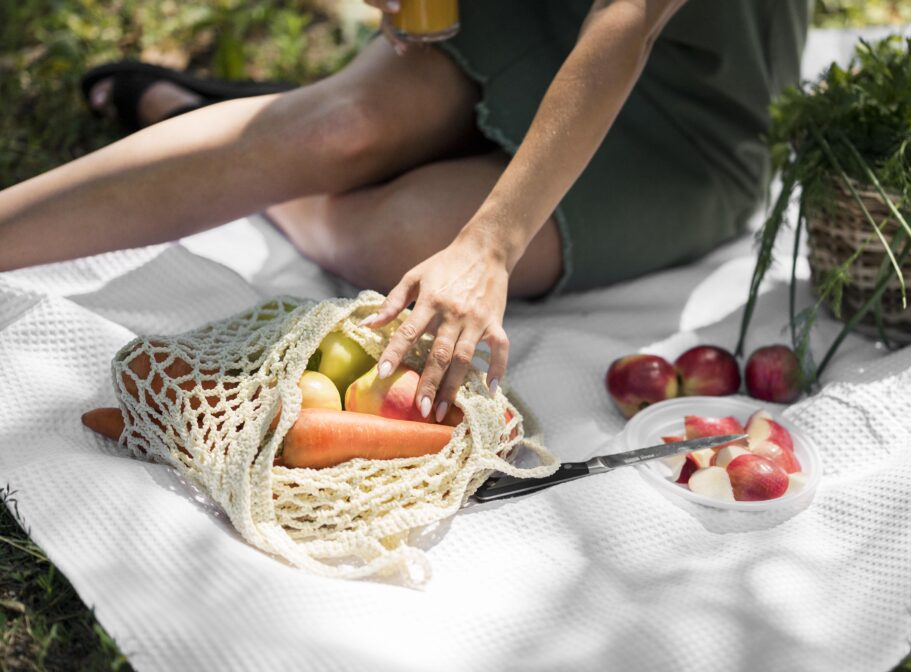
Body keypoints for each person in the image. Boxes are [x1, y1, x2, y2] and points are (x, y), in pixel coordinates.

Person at [0, 0, 808, 425]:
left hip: (687, 106)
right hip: (527, 14)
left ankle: (197, 117)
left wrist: (489, 245)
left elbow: (629, 19)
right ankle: (227, 125)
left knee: (400, 239)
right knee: (333, 129)